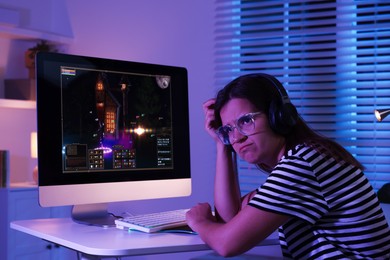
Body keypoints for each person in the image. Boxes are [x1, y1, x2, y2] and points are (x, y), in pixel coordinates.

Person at [186, 73, 390, 259]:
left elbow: (227, 244)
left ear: (278, 116)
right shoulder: (306, 158)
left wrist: (199, 221)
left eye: (246, 121)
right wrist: (222, 145)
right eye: (229, 129)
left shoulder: (305, 162)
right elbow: (231, 217)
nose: (237, 137)